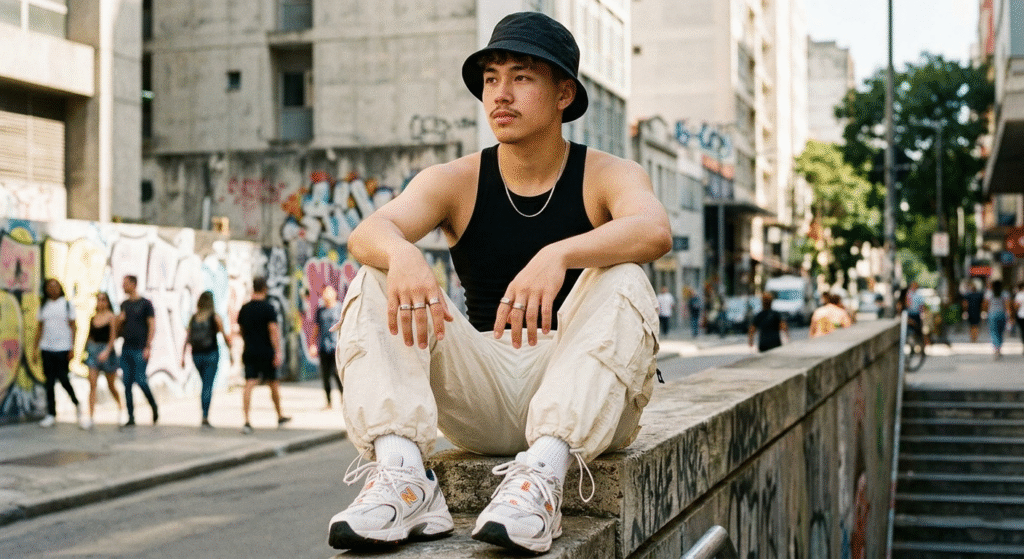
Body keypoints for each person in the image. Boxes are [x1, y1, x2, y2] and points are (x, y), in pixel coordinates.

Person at [326, 12, 670, 555]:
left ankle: (542, 480)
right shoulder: (456, 180)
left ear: (564, 94)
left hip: (579, 388)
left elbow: (654, 230)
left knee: (624, 275)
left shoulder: (608, 173)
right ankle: (403, 476)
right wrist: (401, 252)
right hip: (484, 387)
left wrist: (559, 254)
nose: (500, 95)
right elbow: (371, 230)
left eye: (522, 77)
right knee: (374, 275)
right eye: (491, 78)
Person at [237, 277, 289, 434]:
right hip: (266, 351)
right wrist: (278, 351)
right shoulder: (268, 308)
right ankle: (279, 416)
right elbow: (273, 331)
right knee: (273, 383)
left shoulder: (244, 308)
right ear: (264, 289)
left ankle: (246, 421)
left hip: (250, 350)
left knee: (249, 383)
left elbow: (240, 330)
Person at [35, 278, 83, 428]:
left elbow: (74, 327)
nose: (53, 289)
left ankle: (77, 403)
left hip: (62, 348)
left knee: (63, 378)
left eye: (55, 286)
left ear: (60, 288)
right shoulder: (44, 306)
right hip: (46, 348)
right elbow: (39, 329)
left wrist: (72, 348)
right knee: (49, 382)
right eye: (49, 286)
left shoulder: (67, 305)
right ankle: (51, 413)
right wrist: (34, 349)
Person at [181, 290, 232, 428]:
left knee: (205, 384)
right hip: (211, 354)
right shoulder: (214, 317)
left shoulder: (194, 317)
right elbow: (224, 335)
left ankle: (204, 413)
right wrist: (231, 351)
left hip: (196, 355)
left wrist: (183, 356)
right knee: (207, 385)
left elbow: (188, 337)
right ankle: (205, 415)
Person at [117, 275, 159, 427]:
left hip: (140, 348)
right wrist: (119, 321)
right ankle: (131, 416)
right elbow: (117, 329)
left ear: (134, 284)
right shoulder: (124, 305)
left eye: (125, 283)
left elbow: (152, 325)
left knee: (141, 380)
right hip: (126, 347)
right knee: (126, 383)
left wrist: (148, 346)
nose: (123, 286)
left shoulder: (145, 304)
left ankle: (153, 405)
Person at [82, 292, 121, 429]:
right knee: (92, 385)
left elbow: (112, 337)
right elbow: (90, 336)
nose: (101, 302)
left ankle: (120, 407)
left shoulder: (111, 317)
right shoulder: (93, 318)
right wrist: (85, 351)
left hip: (107, 353)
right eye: (99, 300)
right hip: (93, 351)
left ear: (108, 302)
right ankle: (91, 417)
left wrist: (107, 351)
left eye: (103, 300)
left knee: (111, 386)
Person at [308, 285, 343, 409]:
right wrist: (312, 344)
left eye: (329, 291)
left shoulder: (340, 308)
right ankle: (328, 402)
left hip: (337, 347)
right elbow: (316, 329)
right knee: (326, 376)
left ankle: (344, 400)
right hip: (324, 347)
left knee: (337, 374)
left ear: (334, 293)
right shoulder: (320, 310)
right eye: (324, 292)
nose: (326, 294)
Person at [984, 279, 1012, 360]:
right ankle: (999, 347)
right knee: (1000, 332)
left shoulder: (989, 293)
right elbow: (1007, 305)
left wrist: (984, 312)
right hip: (1002, 314)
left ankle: (996, 347)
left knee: (994, 331)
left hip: (992, 314)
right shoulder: (1005, 293)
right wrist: (1009, 315)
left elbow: (985, 304)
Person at [1014, 282, 1024, 353]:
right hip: (1021, 315)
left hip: (1021, 315)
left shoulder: (1019, 295)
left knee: (1023, 331)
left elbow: (1016, 306)